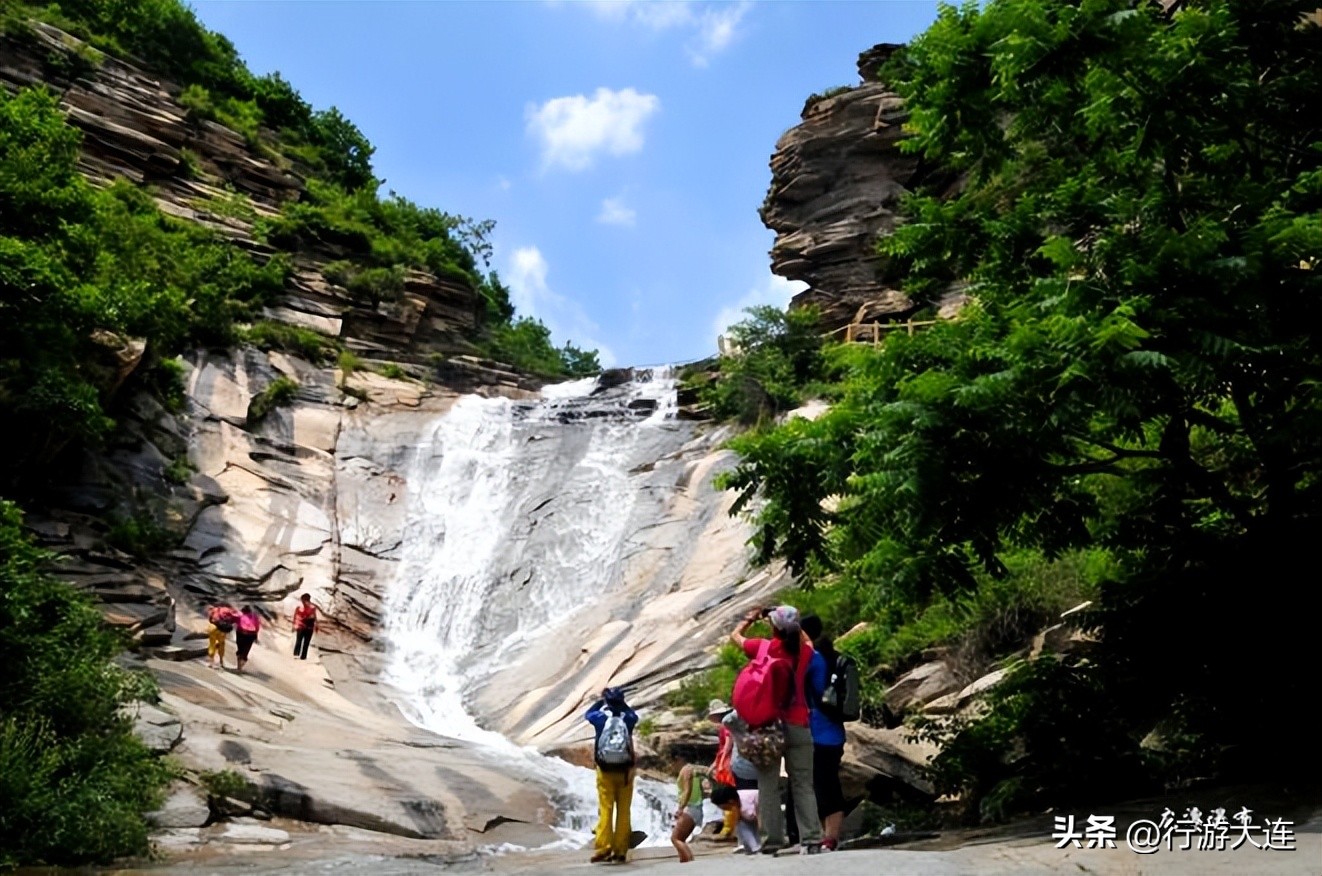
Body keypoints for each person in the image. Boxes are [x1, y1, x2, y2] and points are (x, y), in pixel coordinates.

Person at [730, 605, 823, 855]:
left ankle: (772, 841)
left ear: (773, 627)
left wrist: (749, 619)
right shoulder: (804, 652)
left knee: (768, 785)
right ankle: (811, 839)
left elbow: (735, 638)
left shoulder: (762, 647)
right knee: (803, 783)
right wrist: (793, 622)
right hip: (798, 723)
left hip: (766, 726)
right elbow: (809, 642)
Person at [801, 614, 847, 851]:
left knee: (821, 786)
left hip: (817, 732)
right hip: (835, 733)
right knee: (828, 783)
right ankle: (829, 836)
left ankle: (829, 837)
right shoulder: (833, 657)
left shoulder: (814, 659)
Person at [586, 686, 638, 864]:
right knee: (624, 811)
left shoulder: (600, 718)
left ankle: (603, 846)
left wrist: (601, 701)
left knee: (606, 809)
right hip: (625, 772)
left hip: (605, 771)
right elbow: (633, 714)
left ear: (608, 702)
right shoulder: (629, 718)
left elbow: (588, 713)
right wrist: (621, 705)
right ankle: (620, 850)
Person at [707, 699, 740, 840]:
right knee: (731, 794)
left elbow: (728, 743)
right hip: (725, 759)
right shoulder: (727, 723)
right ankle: (730, 826)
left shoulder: (726, 725)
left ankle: (730, 827)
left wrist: (720, 762)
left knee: (730, 794)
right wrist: (715, 763)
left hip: (728, 760)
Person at [671, 760, 711, 863]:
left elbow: (687, 790)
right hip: (696, 809)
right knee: (680, 839)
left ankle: (689, 862)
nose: (671, 766)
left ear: (677, 759)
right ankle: (685, 862)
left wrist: (680, 808)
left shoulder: (685, 770)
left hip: (690, 808)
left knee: (676, 839)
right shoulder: (694, 771)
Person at [711, 783, 761, 854]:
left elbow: (760, 817)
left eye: (726, 808)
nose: (726, 810)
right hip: (750, 819)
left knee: (743, 825)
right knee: (741, 825)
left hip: (762, 814)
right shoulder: (735, 806)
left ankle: (758, 845)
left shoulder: (746, 802)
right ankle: (752, 846)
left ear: (731, 802)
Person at [206, 601, 238, 670]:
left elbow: (210, 618)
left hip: (213, 627)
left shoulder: (215, 609)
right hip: (222, 630)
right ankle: (221, 661)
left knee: (212, 644)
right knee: (222, 644)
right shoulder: (229, 610)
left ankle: (211, 662)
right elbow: (234, 619)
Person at [235, 605, 262, 674]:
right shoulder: (254, 616)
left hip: (241, 633)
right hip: (250, 634)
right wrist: (256, 635)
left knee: (240, 650)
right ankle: (240, 666)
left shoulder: (240, 615)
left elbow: (234, 621)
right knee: (245, 650)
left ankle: (239, 667)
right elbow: (257, 627)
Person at [292, 593, 318, 660]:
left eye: (306, 600)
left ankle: (303, 656)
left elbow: (314, 617)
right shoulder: (299, 607)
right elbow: (296, 616)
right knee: (299, 641)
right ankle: (296, 654)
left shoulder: (312, 608)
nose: (304, 601)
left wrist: (316, 625)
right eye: (303, 600)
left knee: (306, 643)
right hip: (301, 627)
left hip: (309, 627)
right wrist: (294, 625)